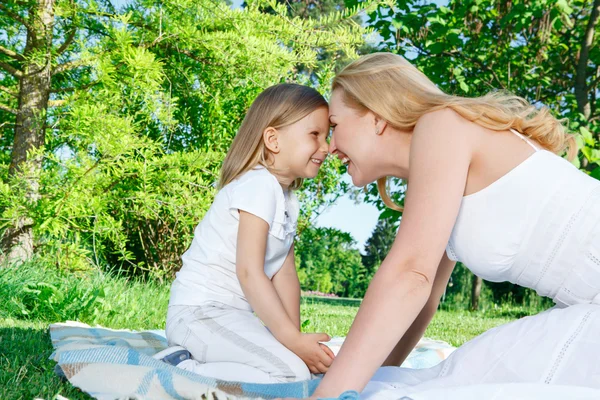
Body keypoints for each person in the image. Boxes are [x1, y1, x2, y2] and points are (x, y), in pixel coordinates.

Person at [312, 52, 600, 398]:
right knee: (451, 379)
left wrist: (329, 395)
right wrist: (363, 382)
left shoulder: (441, 125)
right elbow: (421, 297)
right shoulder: (435, 175)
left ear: (375, 116)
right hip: (587, 307)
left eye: (335, 126)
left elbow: (409, 276)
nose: (330, 148)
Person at [155, 83, 335, 383]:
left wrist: (295, 340)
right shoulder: (258, 185)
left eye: (326, 136)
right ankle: (180, 370)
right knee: (290, 374)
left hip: (228, 319)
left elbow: (285, 276)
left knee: (299, 368)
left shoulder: (287, 198)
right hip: (198, 315)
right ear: (273, 140)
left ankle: (190, 362)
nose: (326, 146)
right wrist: (290, 342)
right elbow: (249, 272)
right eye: (315, 135)